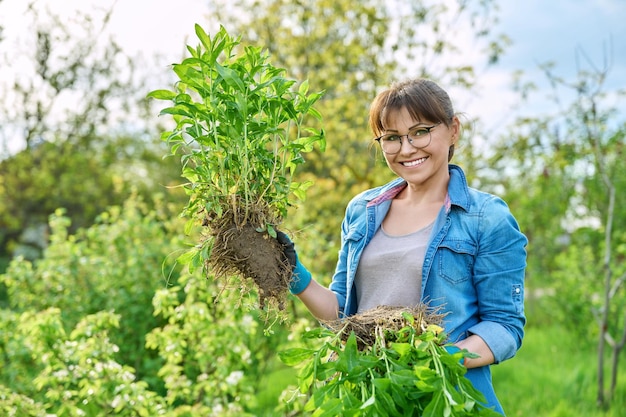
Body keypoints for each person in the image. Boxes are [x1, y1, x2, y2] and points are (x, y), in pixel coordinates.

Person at [278, 78, 527, 415]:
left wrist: (433, 358)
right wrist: (292, 273)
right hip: (373, 399)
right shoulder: (362, 211)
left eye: (420, 131)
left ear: (453, 130)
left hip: (448, 399)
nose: (407, 149)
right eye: (392, 138)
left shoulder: (486, 219)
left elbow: (504, 327)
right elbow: (342, 314)